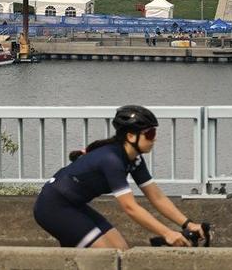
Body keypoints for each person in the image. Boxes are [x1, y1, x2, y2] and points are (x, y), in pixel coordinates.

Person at [33, 105, 205, 248]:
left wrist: (188, 224)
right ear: (131, 136)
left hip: (74, 205)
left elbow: (157, 198)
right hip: (53, 208)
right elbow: (130, 207)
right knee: (106, 257)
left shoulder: (134, 160)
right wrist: (167, 233)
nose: (154, 139)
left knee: (121, 251)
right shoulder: (112, 160)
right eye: (150, 134)